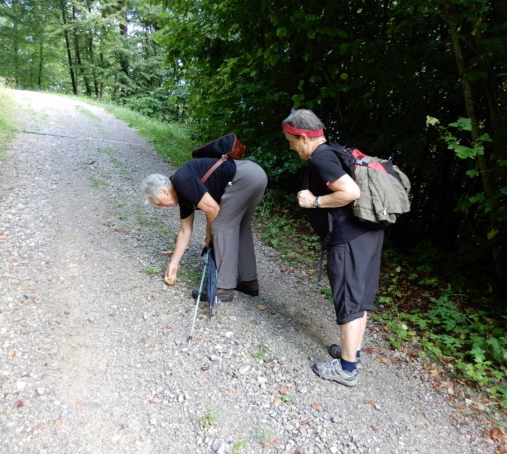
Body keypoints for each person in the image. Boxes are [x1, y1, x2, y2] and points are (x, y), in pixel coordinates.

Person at [282, 109, 384, 387]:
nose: (291, 147)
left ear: (303, 138)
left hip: (349, 238)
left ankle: (347, 369)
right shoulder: (337, 151)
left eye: (291, 141)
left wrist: (314, 201)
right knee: (360, 299)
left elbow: (350, 192)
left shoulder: (321, 157)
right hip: (369, 233)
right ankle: (353, 352)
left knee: (349, 299)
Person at [141, 142, 267, 302]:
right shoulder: (182, 193)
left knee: (221, 225)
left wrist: (209, 234)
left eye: (159, 203)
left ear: (163, 191)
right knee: (240, 225)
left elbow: (213, 210)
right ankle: (248, 281)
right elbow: (185, 231)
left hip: (244, 178)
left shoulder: (182, 180)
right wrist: (174, 264)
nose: (163, 208)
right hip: (256, 175)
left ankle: (223, 287)